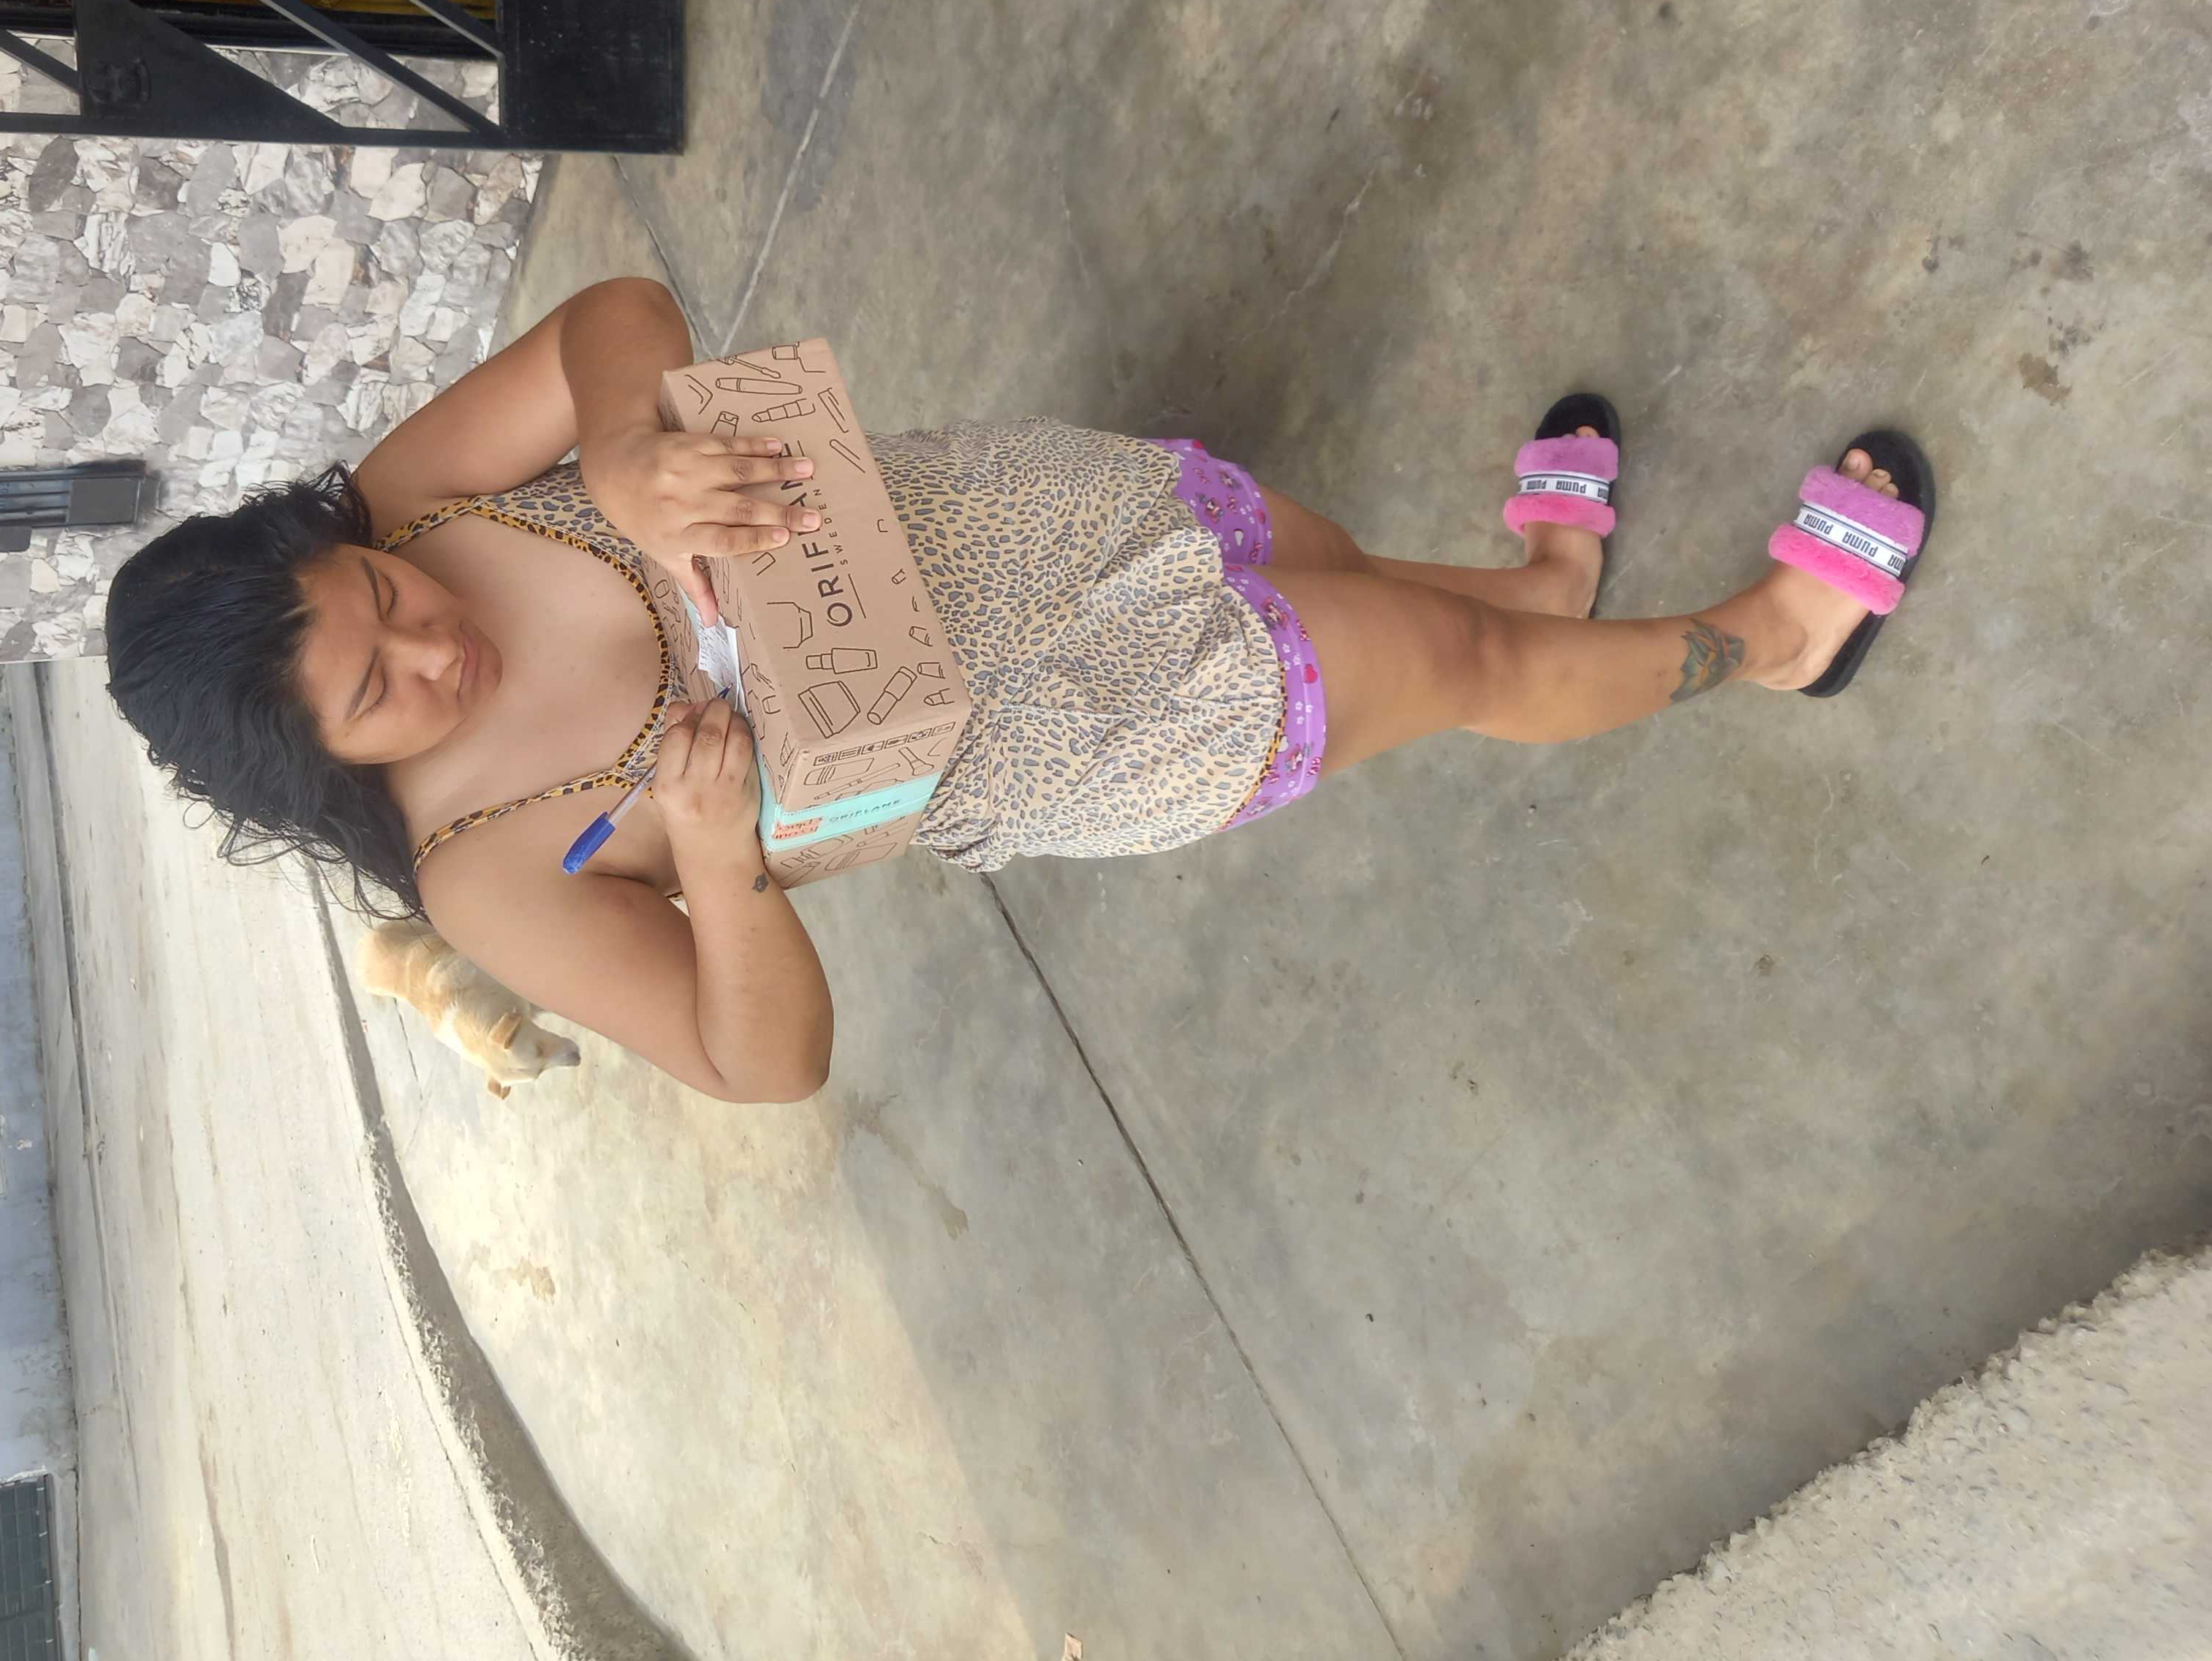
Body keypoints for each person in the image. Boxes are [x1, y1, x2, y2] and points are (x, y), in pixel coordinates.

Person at [104, 277, 1931, 1103]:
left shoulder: (419, 496)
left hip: (1022, 513)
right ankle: (1774, 645)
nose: (434, 643)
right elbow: (758, 1065)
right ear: (323, 765)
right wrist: (718, 868)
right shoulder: (484, 872)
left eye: (380, 599)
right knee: (1443, 671)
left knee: (1342, 568)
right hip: (1080, 725)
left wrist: (625, 447)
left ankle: (1544, 584)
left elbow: (616, 312)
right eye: (382, 692)